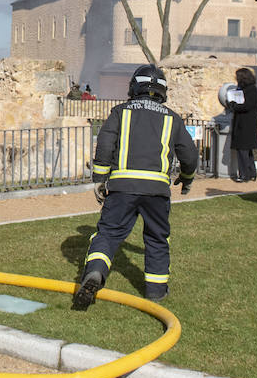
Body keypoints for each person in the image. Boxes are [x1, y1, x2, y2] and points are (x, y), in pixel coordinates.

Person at [75, 65, 198, 307]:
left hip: (122, 188)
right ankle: (156, 290)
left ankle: (96, 272)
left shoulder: (120, 112)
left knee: (108, 234)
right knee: (157, 238)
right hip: (157, 191)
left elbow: (105, 145)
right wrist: (187, 177)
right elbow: (190, 155)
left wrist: (100, 179)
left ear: (134, 86)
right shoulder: (172, 118)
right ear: (163, 91)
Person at [227, 67, 257, 182]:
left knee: (243, 150)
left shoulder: (251, 90)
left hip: (247, 124)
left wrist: (234, 106)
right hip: (243, 123)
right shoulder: (244, 88)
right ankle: (251, 173)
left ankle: (245, 174)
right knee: (246, 150)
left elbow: (247, 105)